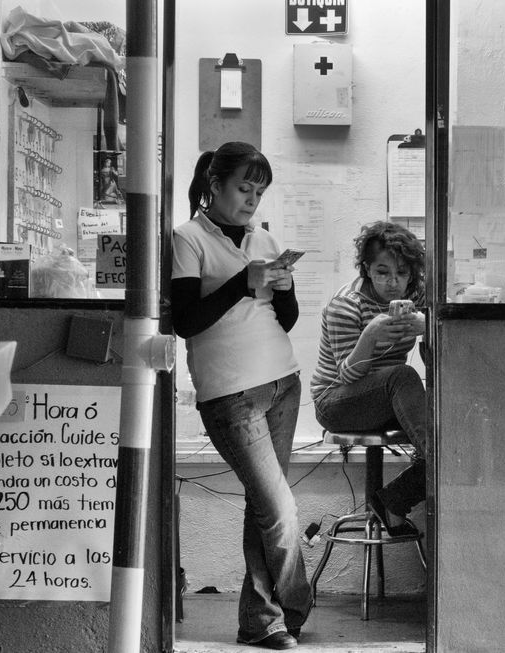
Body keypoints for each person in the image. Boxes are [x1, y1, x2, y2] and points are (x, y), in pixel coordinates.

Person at [171, 141, 310, 651]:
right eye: (243, 188)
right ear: (214, 186)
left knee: (263, 505)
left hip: (282, 382)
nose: (252, 200)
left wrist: (286, 285)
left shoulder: (266, 240)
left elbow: (285, 320)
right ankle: (298, 603)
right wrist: (241, 282)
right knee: (280, 508)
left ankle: (260, 622)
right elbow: (186, 323)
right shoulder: (186, 239)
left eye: (260, 191)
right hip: (229, 394)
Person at [310, 221, 427, 536]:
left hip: (387, 396)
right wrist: (371, 334)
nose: (393, 283)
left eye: (402, 273)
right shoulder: (345, 305)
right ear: (366, 269)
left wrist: (427, 327)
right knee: (403, 375)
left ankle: (397, 496)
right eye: (382, 272)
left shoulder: (415, 294)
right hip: (337, 401)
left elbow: (445, 346)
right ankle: (439, 463)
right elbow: (346, 375)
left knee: (454, 414)